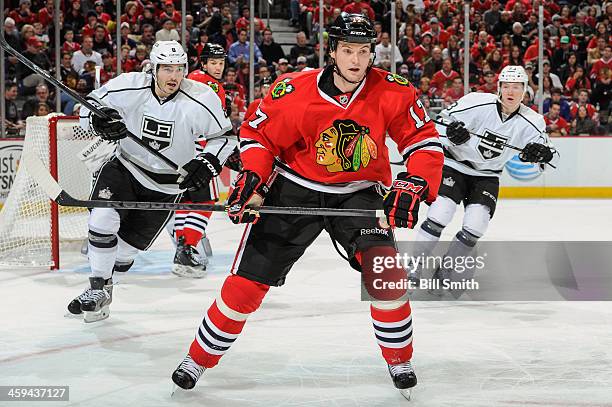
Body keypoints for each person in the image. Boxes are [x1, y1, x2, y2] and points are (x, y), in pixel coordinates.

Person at [171, 13, 444, 400]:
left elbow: (423, 142)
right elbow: (257, 136)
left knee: (387, 277)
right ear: (332, 51)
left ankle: (399, 358)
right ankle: (197, 359)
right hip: (293, 191)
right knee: (246, 286)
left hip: (358, 192)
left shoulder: (394, 92)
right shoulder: (294, 90)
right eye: (347, 50)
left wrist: (414, 181)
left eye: (363, 51)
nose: (355, 60)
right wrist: (253, 178)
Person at [68, 41, 234, 322]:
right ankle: (97, 286)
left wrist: (206, 163)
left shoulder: (201, 98)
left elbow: (225, 138)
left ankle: (104, 288)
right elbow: (87, 106)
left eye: (179, 69)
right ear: (153, 68)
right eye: (167, 68)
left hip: (166, 187)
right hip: (126, 168)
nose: (174, 76)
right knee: (102, 221)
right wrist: (100, 122)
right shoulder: (129, 85)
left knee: (126, 250)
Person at [410, 66, 559, 294]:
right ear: (499, 88)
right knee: (441, 212)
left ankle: (446, 271)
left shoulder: (533, 121)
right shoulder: (476, 102)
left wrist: (542, 155)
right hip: (455, 165)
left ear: (525, 91)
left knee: (476, 224)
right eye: (506, 86)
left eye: (517, 87)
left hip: (487, 175)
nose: (510, 91)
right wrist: (451, 133)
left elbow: (549, 158)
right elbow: (439, 123)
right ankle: (414, 266)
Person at [169, 43, 233, 278]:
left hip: (177, 149)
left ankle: (182, 249)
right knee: (205, 201)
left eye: (221, 63)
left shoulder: (188, 79)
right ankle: (188, 249)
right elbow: (217, 126)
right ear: (203, 63)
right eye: (213, 62)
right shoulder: (211, 85)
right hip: (198, 148)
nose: (217, 67)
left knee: (185, 201)